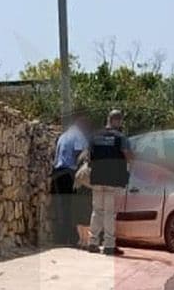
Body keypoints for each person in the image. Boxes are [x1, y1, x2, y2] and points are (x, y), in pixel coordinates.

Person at [83, 109, 133, 254]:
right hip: (113, 179)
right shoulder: (121, 137)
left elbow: (88, 157)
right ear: (117, 121)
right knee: (110, 213)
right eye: (120, 120)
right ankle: (109, 246)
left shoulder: (94, 136)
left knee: (97, 210)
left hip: (97, 178)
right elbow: (128, 156)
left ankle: (92, 242)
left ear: (107, 119)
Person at [49, 115, 90, 246]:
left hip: (57, 173)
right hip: (69, 173)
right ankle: (71, 239)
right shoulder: (78, 136)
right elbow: (79, 156)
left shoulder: (63, 136)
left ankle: (60, 238)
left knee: (60, 206)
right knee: (72, 207)